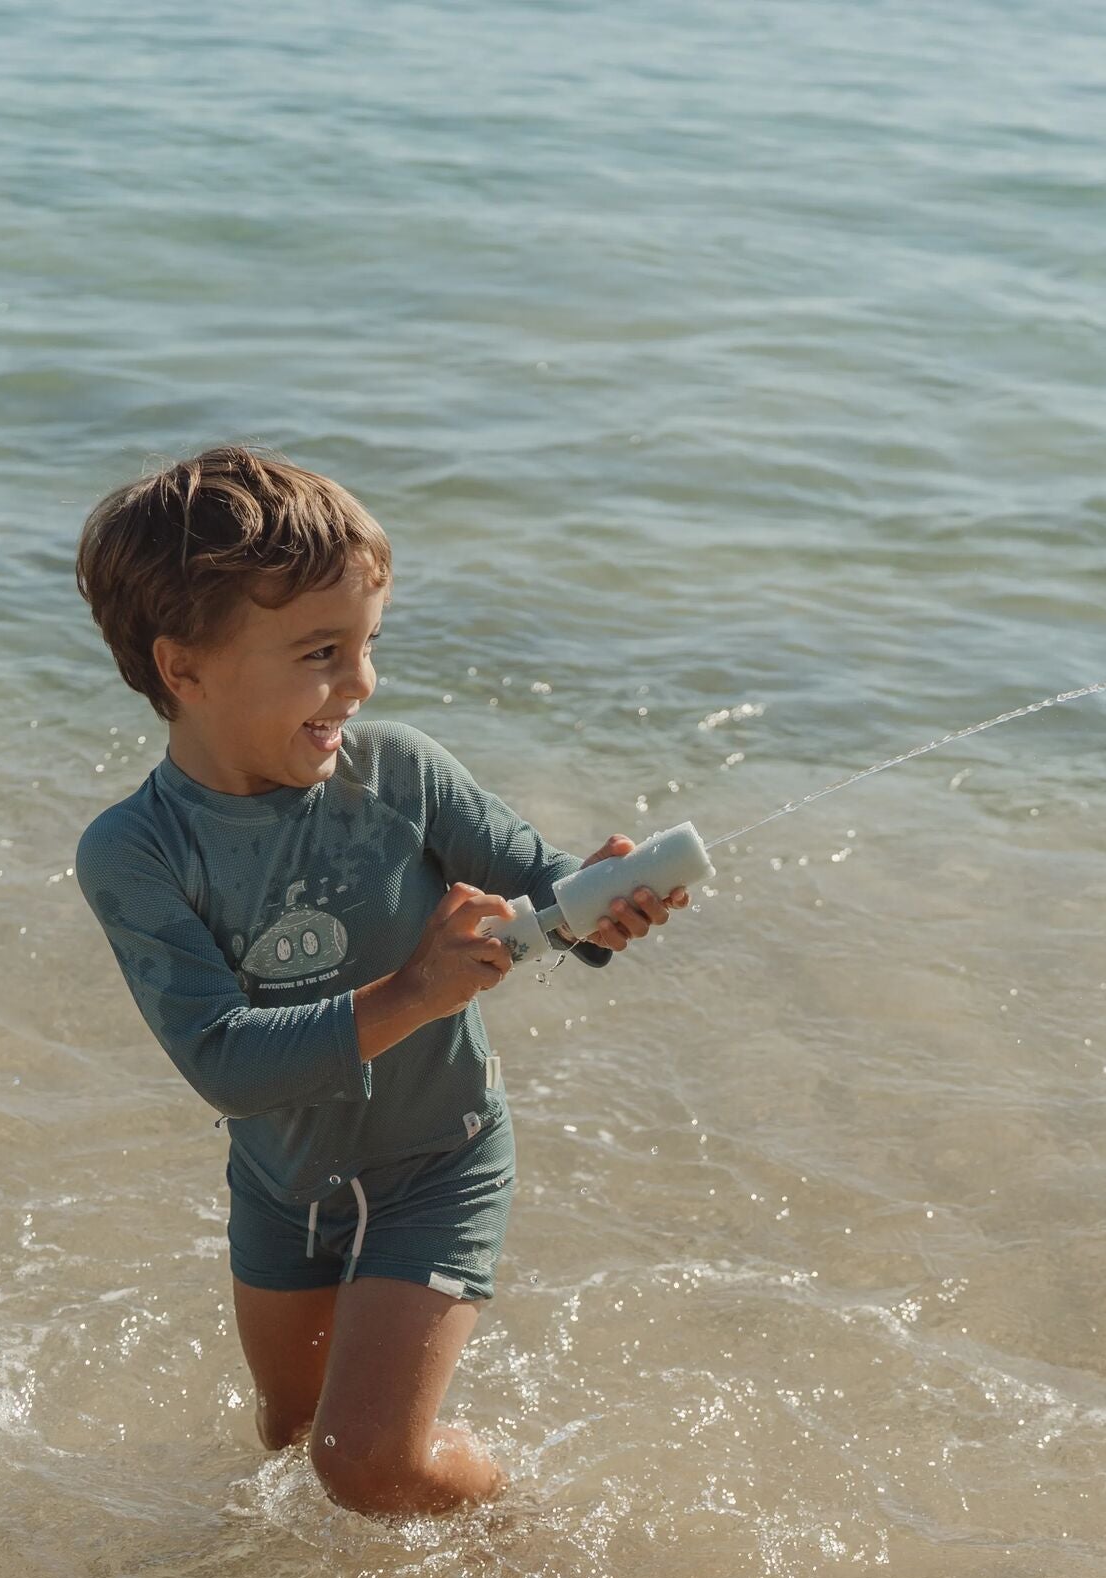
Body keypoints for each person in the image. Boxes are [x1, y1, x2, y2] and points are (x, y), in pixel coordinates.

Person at [72, 446, 686, 1517]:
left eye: (366, 646)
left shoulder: (397, 772)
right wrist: (414, 990)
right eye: (321, 652)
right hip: (281, 1185)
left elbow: (544, 895)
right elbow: (222, 1062)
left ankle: (521, 1528)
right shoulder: (137, 851)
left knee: (364, 1466)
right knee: (289, 1441)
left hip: (435, 1164)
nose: (360, 684)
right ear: (184, 670)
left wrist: (601, 903)